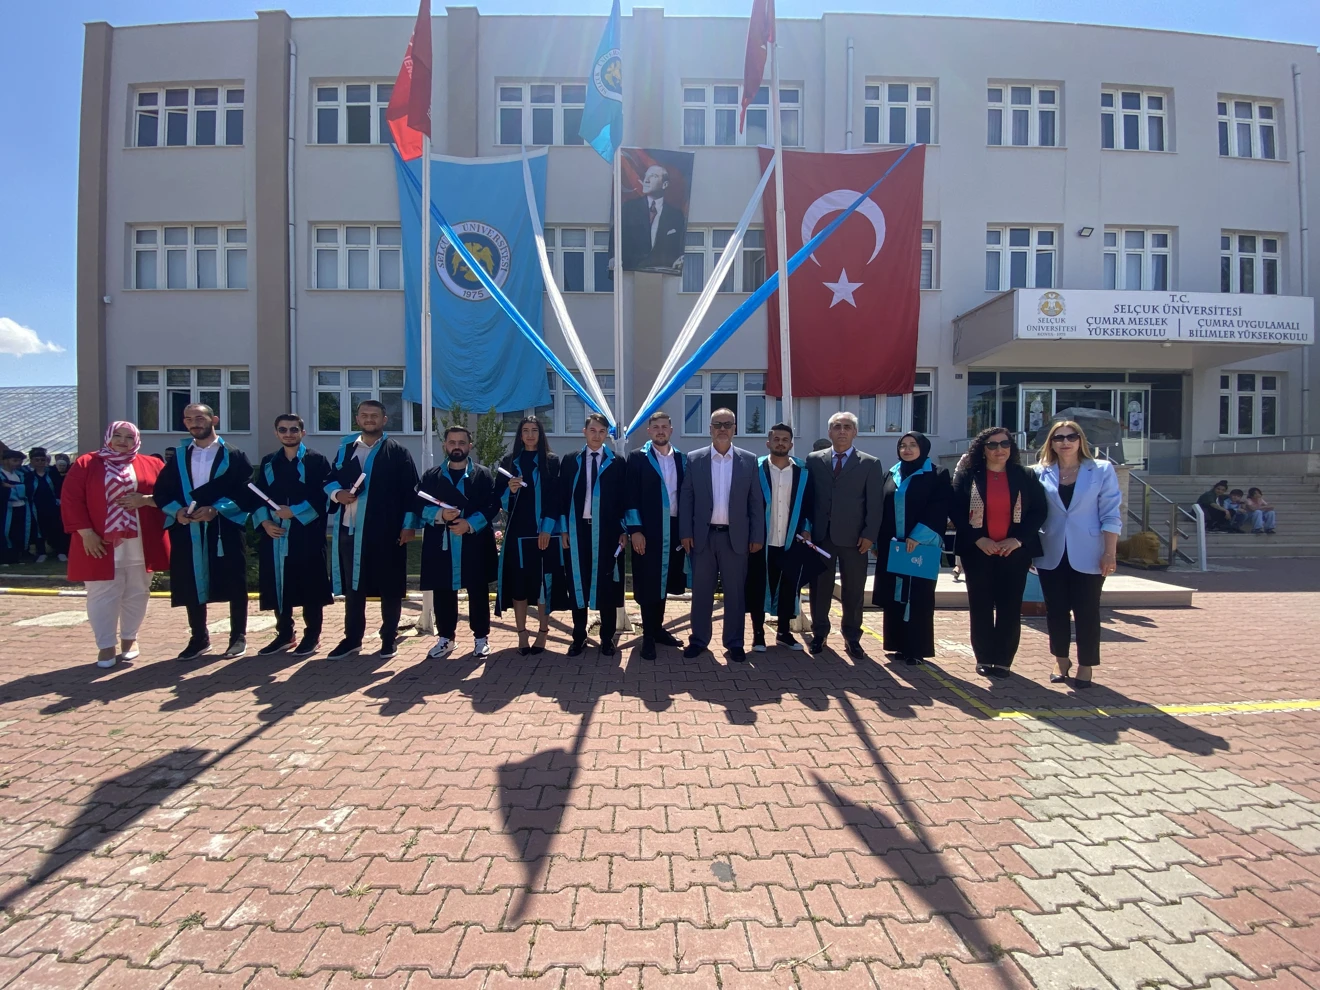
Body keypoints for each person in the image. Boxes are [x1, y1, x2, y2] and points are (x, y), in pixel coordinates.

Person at [61, 422, 170, 667]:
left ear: (137, 440)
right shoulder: (87, 463)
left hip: (141, 541)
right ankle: (106, 645)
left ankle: (130, 638)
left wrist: (146, 500)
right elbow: (71, 499)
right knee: (102, 594)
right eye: (117, 436)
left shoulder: (152, 464)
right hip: (99, 541)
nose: (122, 441)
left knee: (138, 591)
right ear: (108, 437)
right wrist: (86, 533)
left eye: (129, 437)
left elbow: (170, 495)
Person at [152, 403, 255, 661]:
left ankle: (238, 636)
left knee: (234, 579)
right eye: (189, 419)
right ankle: (199, 638)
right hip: (189, 528)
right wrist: (176, 511)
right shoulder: (179, 457)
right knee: (191, 580)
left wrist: (217, 509)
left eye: (199, 417)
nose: (194, 423)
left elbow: (246, 490)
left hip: (224, 527)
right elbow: (161, 492)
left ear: (214, 420)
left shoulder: (233, 455)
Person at [325, 400, 420, 661]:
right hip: (350, 529)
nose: (369, 419)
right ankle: (352, 639)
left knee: (390, 587)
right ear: (357, 419)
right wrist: (337, 494)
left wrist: (409, 525)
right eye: (364, 415)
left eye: (374, 415)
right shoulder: (345, 449)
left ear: (384, 420)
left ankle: (388, 638)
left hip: (386, 531)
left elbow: (411, 492)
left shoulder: (397, 452)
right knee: (354, 588)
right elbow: (330, 479)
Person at [952, 427, 1047, 679]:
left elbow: (1039, 510)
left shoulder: (1025, 475)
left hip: (1013, 552)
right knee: (980, 606)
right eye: (992, 445)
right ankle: (984, 658)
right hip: (978, 551)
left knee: (1009, 606)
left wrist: (1017, 540)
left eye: (1004, 444)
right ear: (983, 449)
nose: (999, 449)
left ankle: (1003, 660)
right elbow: (955, 511)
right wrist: (978, 539)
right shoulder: (968, 476)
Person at [1034, 420, 1122, 689]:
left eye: (1071, 437)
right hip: (1051, 551)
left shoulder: (1101, 469)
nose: (1065, 442)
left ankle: (1086, 664)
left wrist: (1110, 552)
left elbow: (1110, 514)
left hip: (1090, 552)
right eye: (1059, 437)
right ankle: (1061, 659)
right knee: (1056, 610)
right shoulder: (1040, 472)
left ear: (1081, 440)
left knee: (1087, 610)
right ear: (1051, 443)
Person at [679, 408, 765, 663]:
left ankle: (734, 642)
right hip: (702, 538)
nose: (723, 429)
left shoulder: (748, 460)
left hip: (735, 538)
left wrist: (757, 535)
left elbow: (755, 502)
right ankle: (698, 639)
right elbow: (687, 498)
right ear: (710, 429)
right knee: (701, 592)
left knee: (735, 593)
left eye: (728, 424)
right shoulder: (695, 459)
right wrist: (685, 532)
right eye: (718, 424)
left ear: (735, 428)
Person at [251, 415, 333, 657]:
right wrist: (265, 522)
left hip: (307, 533)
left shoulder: (316, 460)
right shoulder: (269, 462)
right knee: (279, 585)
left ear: (302, 432)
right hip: (276, 533)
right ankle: (285, 634)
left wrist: (295, 512)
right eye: (283, 429)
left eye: (293, 429)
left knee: (310, 585)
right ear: (276, 433)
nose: (288, 434)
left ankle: (312, 635)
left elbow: (324, 495)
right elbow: (258, 496)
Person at [805, 412, 883, 659]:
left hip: (855, 539)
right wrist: (807, 528)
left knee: (853, 590)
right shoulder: (814, 460)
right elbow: (808, 498)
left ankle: (852, 637)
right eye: (837, 426)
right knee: (820, 589)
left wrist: (870, 535)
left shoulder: (870, 463)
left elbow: (875, 504)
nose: (842, 431)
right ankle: (819, 633)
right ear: (829, 432)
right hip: (821, 537)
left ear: (855, 432)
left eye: (847, 427)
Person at [872, 432, 952, 666]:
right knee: (894, 595)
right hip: (894, 546)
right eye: (903, 445)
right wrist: (877, 542)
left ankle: (916, 648)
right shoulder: (891, 473)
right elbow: (881, 507)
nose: (907, 450)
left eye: (912, 445)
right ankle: (897, 644)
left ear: (923, 448)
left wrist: (918, 536)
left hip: (920, 546)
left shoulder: (937, 474)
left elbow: (939, 507)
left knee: (918, 596)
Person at [420, 426, 499, 660]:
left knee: (478, 590)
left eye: (462, 442)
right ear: (444, 445)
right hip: (442, 542)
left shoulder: (483, 475)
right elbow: (418, 505)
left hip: (474, 542)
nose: (457, 447)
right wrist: (439, 515)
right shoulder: (432, 476)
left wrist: (469, 523)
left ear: (469, 446)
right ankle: (446, 638)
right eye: (452, 442)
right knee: (443, 589)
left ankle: (481, 638)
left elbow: (492, 505)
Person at [557, 413, 628, 656]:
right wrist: (563, 529)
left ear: (607, 434)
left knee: (607, 584)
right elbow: (562, 497)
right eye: (593, 430)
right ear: (585, 432)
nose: (597, 435)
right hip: (577, 531)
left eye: (602, 431)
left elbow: (624, 499)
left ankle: (607, 638)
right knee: (578, 582)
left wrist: (624, 530)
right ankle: (579, 636)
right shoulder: (570, 460)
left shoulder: (617, 462)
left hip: (608, 533)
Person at [626, 411, 689, 660]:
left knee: (665, 579)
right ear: (649, 431)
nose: (660, 430)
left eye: (664, 426)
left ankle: (658, 629)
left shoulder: (682, 459)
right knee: (647, 580)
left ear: (671, 430)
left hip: (673, 529)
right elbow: (630, 496)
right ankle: (648, 636)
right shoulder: (637, 458)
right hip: (648, 529)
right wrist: (635, 530)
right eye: (656, 427)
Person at [495, 416, 559, 655]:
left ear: (540, 434)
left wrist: (547, 528)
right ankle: (522, 633)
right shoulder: (509, 462)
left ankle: (543, 632)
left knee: (542, 583)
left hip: (542, 532)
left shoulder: (551, 461)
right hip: (517, 532)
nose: (530, 435)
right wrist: (509, 491)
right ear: (520, 435)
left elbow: (556, 498)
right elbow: (498, 499)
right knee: (519, 584)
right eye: (525, 430)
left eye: (534, 430)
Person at [748, 423, 814, 653]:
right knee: (758, 586)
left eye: (785, 440)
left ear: (791, 444)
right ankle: (758, 634)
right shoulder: (755, 468)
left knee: (788, 586)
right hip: (762, 539)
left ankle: (784, 632)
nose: (780, 443)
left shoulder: (802, 471)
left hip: (790, 538)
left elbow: (809, 504)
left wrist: (806, 528)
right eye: (776, 439)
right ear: (768, 442)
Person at [620, 164, 687, 271]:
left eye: (653, 176)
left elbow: (680, 246)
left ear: (665, 184)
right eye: (646, 176)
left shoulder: (676, 216)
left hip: (664, 272)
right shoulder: (629, 208)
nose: (646, 180)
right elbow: (617, 236)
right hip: (632, 272)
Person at [26, 448, 68, 562]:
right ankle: (41, 552)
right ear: (32, 461)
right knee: (39, 529)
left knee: (58, 527)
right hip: (36, 506)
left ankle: (61, 551)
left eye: (42, 460)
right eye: (37, 460)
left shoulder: (53, 473)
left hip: (53, 505)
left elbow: (60, 487)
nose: (40, 462)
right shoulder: (29, 476)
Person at [0, 449, 33, 565]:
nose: (18, 463)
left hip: (21, 507)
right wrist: (16, 489)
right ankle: (3, 558)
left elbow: (27, 490)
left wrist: (11, 487)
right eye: (15, 460)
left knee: (17, 533)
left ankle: (15, 557)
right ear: (5, 461)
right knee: (5, 533)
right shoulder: (1, 474)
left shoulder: (20, 474)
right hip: (5, 509)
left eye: (20, 461)